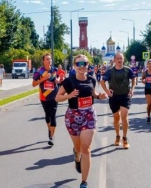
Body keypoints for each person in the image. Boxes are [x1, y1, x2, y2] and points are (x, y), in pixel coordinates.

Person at [56, 54, 107, 188]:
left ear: (87, 65)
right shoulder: (69, 81)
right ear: (74, 66)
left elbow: (93, 94)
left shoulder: (91, 79)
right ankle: (77, 158)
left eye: (84, 63)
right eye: (79, 64)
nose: (82, 66)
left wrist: (99, 96)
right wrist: (69, 95)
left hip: (89, 115)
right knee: (78, 148)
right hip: (72, 116)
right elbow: (57, 97)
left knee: (86, 148)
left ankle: (84, 182)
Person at [100, 53, 136, 149]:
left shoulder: (128, 70)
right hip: (114, 97)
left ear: (123, 59)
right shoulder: (110, 71)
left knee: (124, 116)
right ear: (115, 60)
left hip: (125, 96)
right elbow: (102, 81)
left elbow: (134, 78)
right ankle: (117, 136)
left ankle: (125, 138)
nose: (119, 60)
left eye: (121, 58)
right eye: (118, 58)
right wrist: (107, 91)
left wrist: (132, 89)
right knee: (116, 118)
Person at [32, 53, 59, 146]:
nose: (49, 60)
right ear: (43, 61)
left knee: (53, 116)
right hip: (44, 96)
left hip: (54, 96)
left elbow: (58, 78)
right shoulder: (39, 71)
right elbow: (34, 84)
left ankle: (52, 137)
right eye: (47, 59)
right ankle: (49, 129)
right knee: (47, 116)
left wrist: (58, 80)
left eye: (50, 59)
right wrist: (43, 79)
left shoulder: (55, 70)